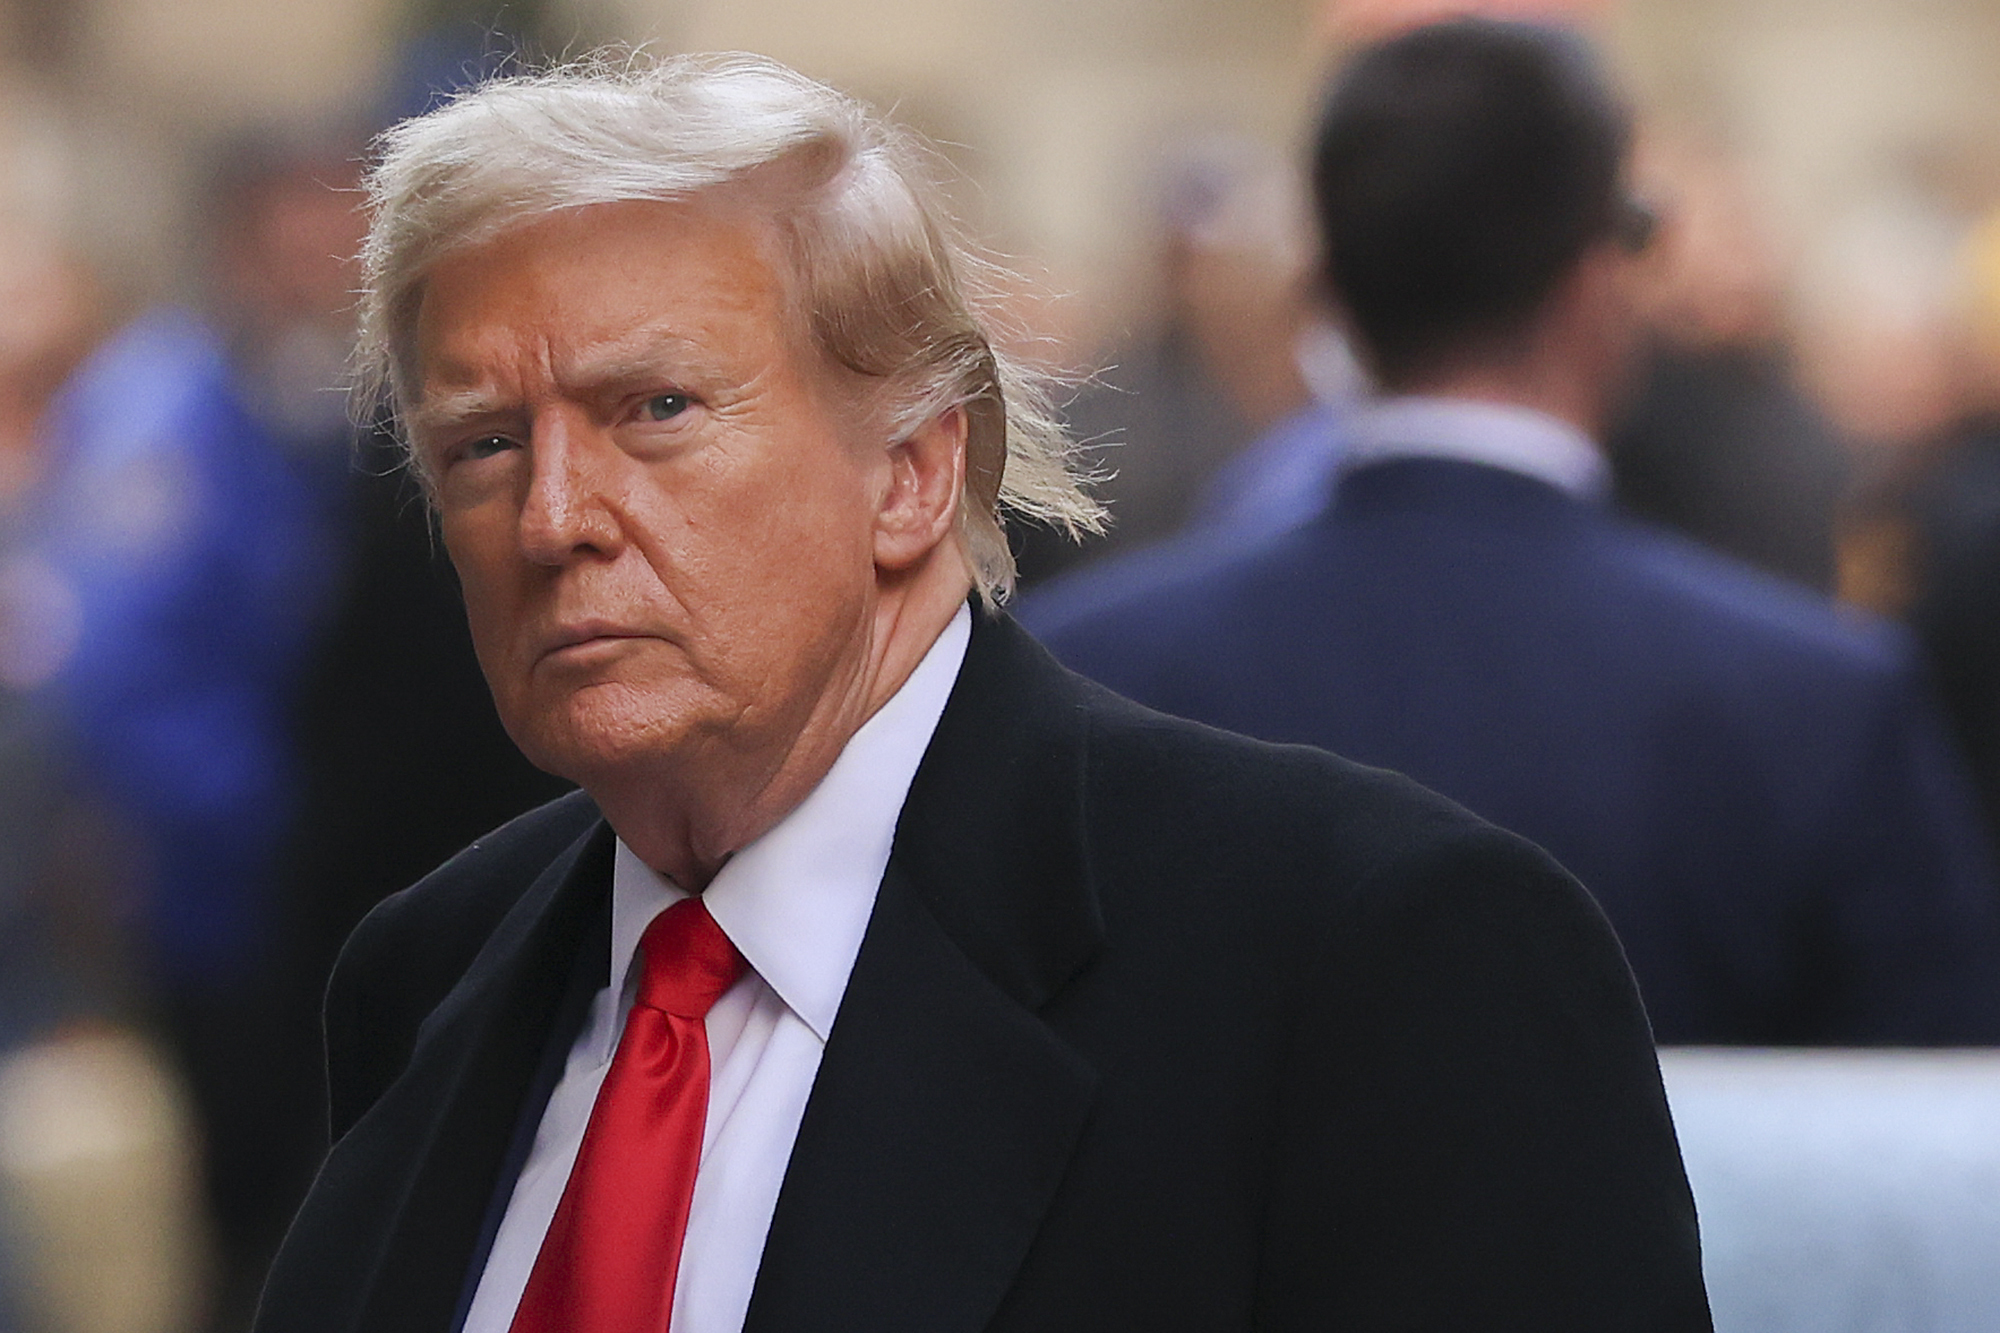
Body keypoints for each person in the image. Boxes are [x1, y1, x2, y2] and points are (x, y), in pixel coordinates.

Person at [253, 54, 1710, 1331]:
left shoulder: (1373, 961)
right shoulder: (431, 974)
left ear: (912, 471)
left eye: (657, 410)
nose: (554, 515)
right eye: (484, 444)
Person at [1025, 19, 2000, 1046]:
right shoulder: (1813, 706)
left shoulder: (1084, 677)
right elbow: (1930, 1113)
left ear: (1323, 296)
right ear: (1597, 288)